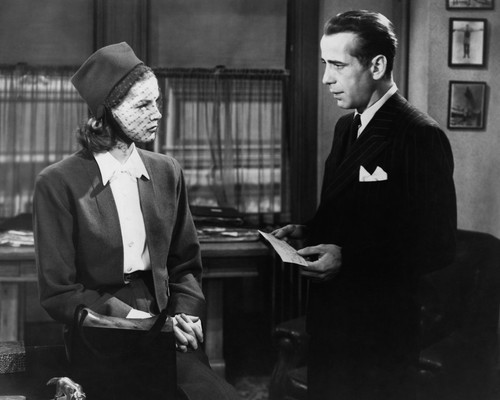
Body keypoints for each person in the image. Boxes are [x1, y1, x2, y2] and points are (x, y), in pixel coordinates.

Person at [33, 42, 240, 400]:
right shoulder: (57, 182)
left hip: (167, 319)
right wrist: (142, 324)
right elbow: (59, 293)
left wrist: (185, 316)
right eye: (143, 105)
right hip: (100, 328)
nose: (157, 114)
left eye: (157, 102)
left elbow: (186, 265)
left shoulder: (166, 171)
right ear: (106, 112)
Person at [272, 10, 457, 400]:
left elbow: (438, 244)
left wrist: (349, 259)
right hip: (331, 322)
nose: (326, 78)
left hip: (379, 334)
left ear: (377, 66)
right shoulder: (347, 127)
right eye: (325, 64)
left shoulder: (419, 134)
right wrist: (310, 229)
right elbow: (352, 213)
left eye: (338, 65)